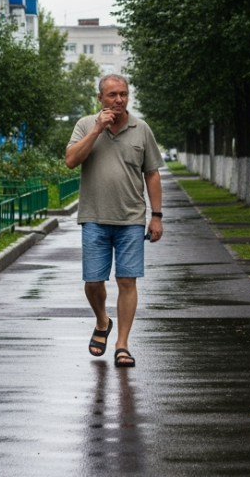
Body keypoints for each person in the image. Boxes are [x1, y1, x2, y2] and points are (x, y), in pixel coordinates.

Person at [64, 74, 164, 369]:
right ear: (100, 98)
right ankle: (102, 320)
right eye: (112, 95)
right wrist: (97, 130)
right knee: (93, 281)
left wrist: (156, 216)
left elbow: (152, 174)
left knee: (126, 280)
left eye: (123, 94)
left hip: (131, 218)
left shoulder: (141, 129)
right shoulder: (85, 125)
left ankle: (122, 344)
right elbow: (70, 160)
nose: (118, 100)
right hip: (94, 216)